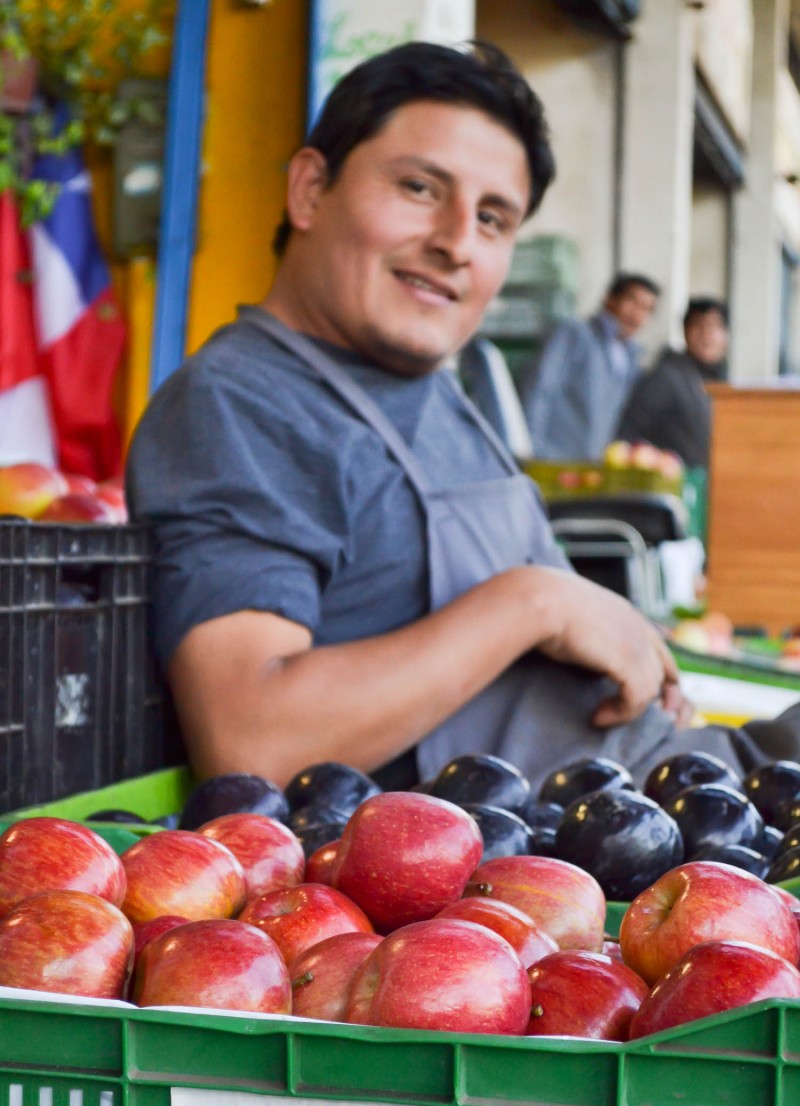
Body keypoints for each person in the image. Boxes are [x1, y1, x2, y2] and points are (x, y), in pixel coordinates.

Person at [127, 41, 796, 796]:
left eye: (492, 219)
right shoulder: (243, 403)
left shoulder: (432, 392)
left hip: (690, 792)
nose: (455, 243)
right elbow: (253, 739)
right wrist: (534, 602)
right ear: (311, 189)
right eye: (419, 187)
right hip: (563, 862)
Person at [521, 273, 660, 460]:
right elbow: (539, 389)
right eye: (632, 302)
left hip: (590, 468)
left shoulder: (631, 357)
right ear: (609, 298)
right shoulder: (574, 334)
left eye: (646, 309)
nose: (636, 314)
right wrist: (531, 451)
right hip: (549, 460)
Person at [615, 297, 729, 468]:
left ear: (726, 334)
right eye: (699, 325)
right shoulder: (665, 377)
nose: (707, 333)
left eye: (715, 326)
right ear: (685, 331)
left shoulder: (722, 383)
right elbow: (628, 435)